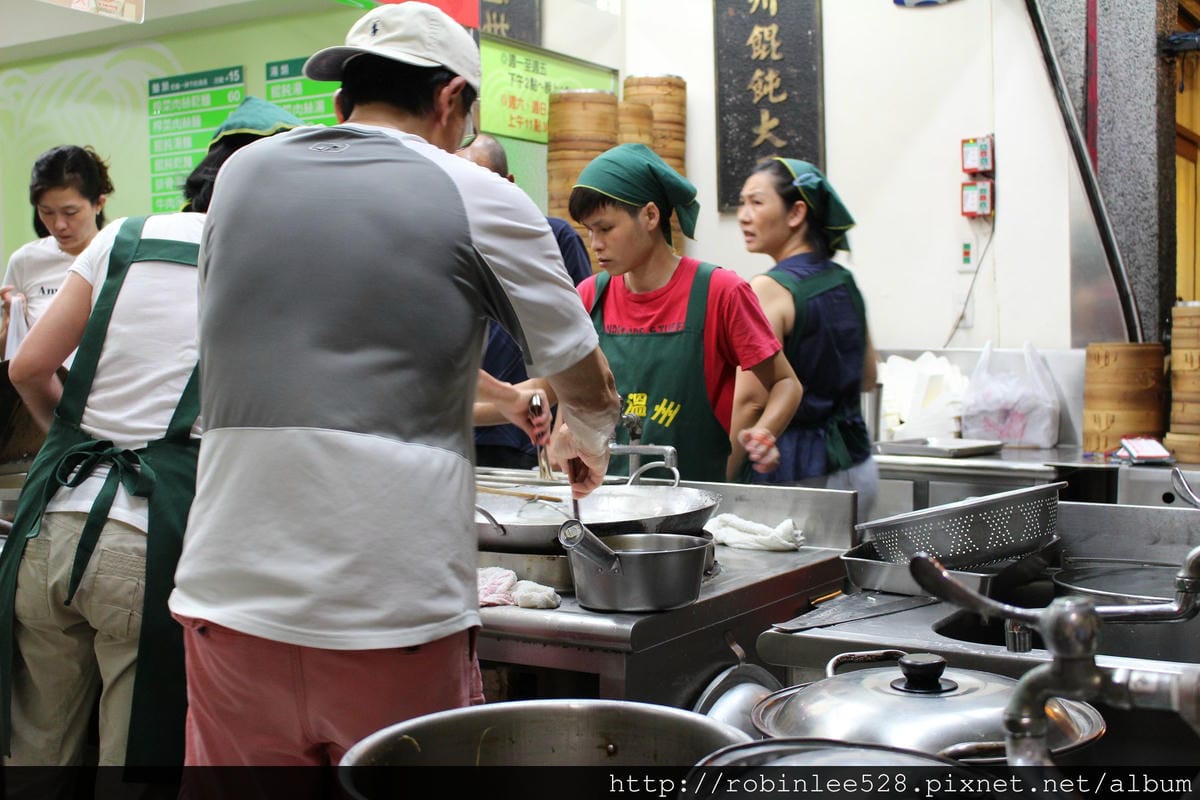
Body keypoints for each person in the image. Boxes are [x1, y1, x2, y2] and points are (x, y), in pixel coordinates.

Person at [167, 1, 619, 768]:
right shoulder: (477, 193)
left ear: (344, 96)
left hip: (225, 603)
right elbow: (589, 380)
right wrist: (588, 433)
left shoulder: (238, 178)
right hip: (391, 613)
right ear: (450, 100)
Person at [0, 97, 304, 783]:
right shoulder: (264, 263)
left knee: (36, 756)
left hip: (47, 530)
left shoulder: (123, 235)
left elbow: (26, 368)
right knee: (131, 762)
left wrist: (74, 442)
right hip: (146, 544)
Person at [567, 143, 802, 483]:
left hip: (690, 512)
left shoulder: (719, 292)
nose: (595, 244)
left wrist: (765, 432)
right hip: (604, 503)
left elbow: (785, 383)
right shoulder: (590, 295)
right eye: (589, 231)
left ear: (650, 216)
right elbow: (564, 394)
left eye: (605, 229)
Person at [735, 156, 879, 517]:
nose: (743, 215)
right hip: (859, 466)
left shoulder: (769, 288)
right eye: (742, 203)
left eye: (756, 201)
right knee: (847, 573)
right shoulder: (844, 280)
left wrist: (721, 475)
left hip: (796, 476)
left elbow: (750, 401)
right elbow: (868, 376)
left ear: (797, 213)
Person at [458, 133, 592, 469]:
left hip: (523, 434)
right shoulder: (447, 246)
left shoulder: (552, 237)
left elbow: (573, 349)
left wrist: (563, 427)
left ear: (509, 184)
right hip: (455, 434)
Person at [1, 145, 114, 360]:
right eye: (46, 212)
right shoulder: (25, 262)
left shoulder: (118, 255)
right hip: (43, 390)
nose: (59, 224)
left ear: (98, 203)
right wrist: (10, 320)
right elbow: (10, 356)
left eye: (70, 212)